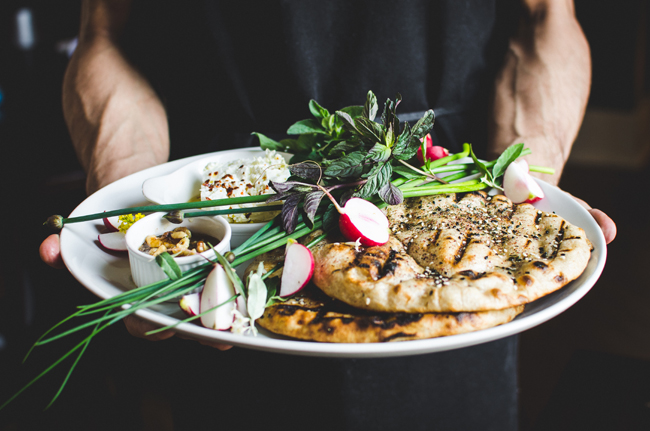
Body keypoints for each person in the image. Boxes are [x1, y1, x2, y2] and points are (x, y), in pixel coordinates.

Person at [39, 0, 617, 429]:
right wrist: (132, 216)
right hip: (228, 262)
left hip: (444, 229)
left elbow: (547, 21)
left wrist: (526, 196)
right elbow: (107, 34)